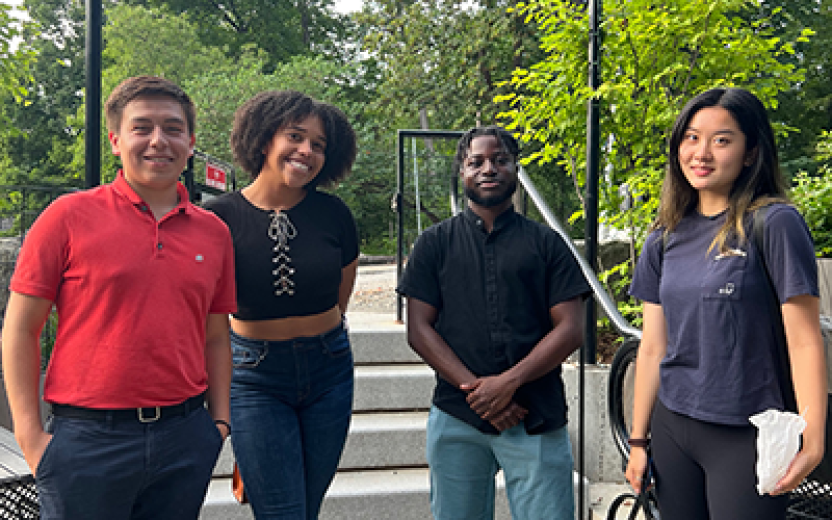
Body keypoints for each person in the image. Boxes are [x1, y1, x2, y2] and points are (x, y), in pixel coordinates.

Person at [1, 76, 236, 519]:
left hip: (185, 435)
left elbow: (215, 335)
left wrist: (219, 423)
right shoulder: (66, 218)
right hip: (88, 440)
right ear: (115, 141)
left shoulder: (215, 232)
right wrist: (30, 435)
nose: (157, 141)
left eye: (171, 128)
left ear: (190, 142)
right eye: (141, 127)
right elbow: (20, 329)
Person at [626, 87, 828, 520]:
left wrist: (813, 437)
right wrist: (639, 442)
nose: (701, 152)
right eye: (691, 137)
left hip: (745, 434)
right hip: (673, 426)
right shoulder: (664, 236)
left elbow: (805, 342)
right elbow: (652, 347)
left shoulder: (774, 224)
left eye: (722, 139)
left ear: (751, 152)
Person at [396, 125, 591, 519]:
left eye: (500, 160)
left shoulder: (548, 244)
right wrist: (479, 393)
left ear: (516, 170)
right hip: (457, 415)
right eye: (476, 162)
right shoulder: (434, 244)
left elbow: (571, 328)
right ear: (462, 172)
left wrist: (508, 384)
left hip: (534, 413)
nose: (489, 169)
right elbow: (418, 329)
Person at [203, 90, 358, 519]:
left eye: (319, 145)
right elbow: (207, 314)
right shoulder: (217, 218)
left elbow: (341, 293)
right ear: (265, 137)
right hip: (254, 377)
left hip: (330, 369)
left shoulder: (335, 215)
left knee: (307, 508)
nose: (307, 151)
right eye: (295, 136)